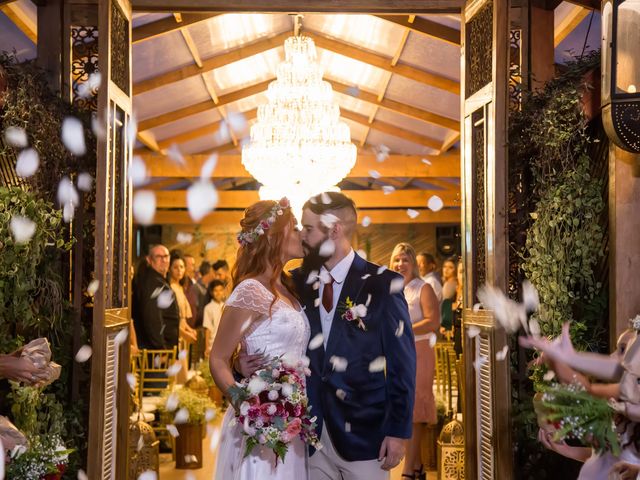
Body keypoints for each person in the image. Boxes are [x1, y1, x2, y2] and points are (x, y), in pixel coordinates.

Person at [295, 191, 416, 480]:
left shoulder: (383, 284)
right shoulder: (299, 282)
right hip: (309, 436)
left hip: (365, 434)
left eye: (309, 228)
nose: (302, 235)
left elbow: (403, 365)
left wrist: (397, 432)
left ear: (334, 230)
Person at [211, 198, 309, 479]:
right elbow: (217, 358)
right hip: (262, 424)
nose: (301, 233)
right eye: (295, 227)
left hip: (294, 419)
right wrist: (248, 408)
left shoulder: (288, 286)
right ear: (273, 236)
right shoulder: (251, 290)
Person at [390, 243, 440, 480]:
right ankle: (418, 465)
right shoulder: (391, 289)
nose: (400, 265)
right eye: (396, 260)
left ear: (413, 263)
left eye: (405, 260)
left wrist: (404, 329)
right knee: (403, 406)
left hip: (419, 351)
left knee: (415, 409)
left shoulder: (424, 288)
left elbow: (433, 322)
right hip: (396, 354)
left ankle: (408, 470)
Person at [131, 245, 180, 350]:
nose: (164, 260)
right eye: (159, 257)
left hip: (166, 349)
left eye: (166, 256)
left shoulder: (159, 280)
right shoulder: (152, 283)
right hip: (156, 352)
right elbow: (152, 317)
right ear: (149, 260)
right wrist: (161, 349)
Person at [203, 279, 226, 357]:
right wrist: (207, 347)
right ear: (212, 293)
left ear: (224, 291)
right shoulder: (208, 308)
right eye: (216, 291)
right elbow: (208, 329)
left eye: (220, 290)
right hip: (213, 344)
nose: (218, 293)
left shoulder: (226, 306)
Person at [440, 257, 457, 335]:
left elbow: (447, 305)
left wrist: (445, 325)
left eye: (450, 267)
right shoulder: (448, 283)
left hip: (450, 323)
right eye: (444, 267)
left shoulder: (451, 284)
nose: (446, 270)